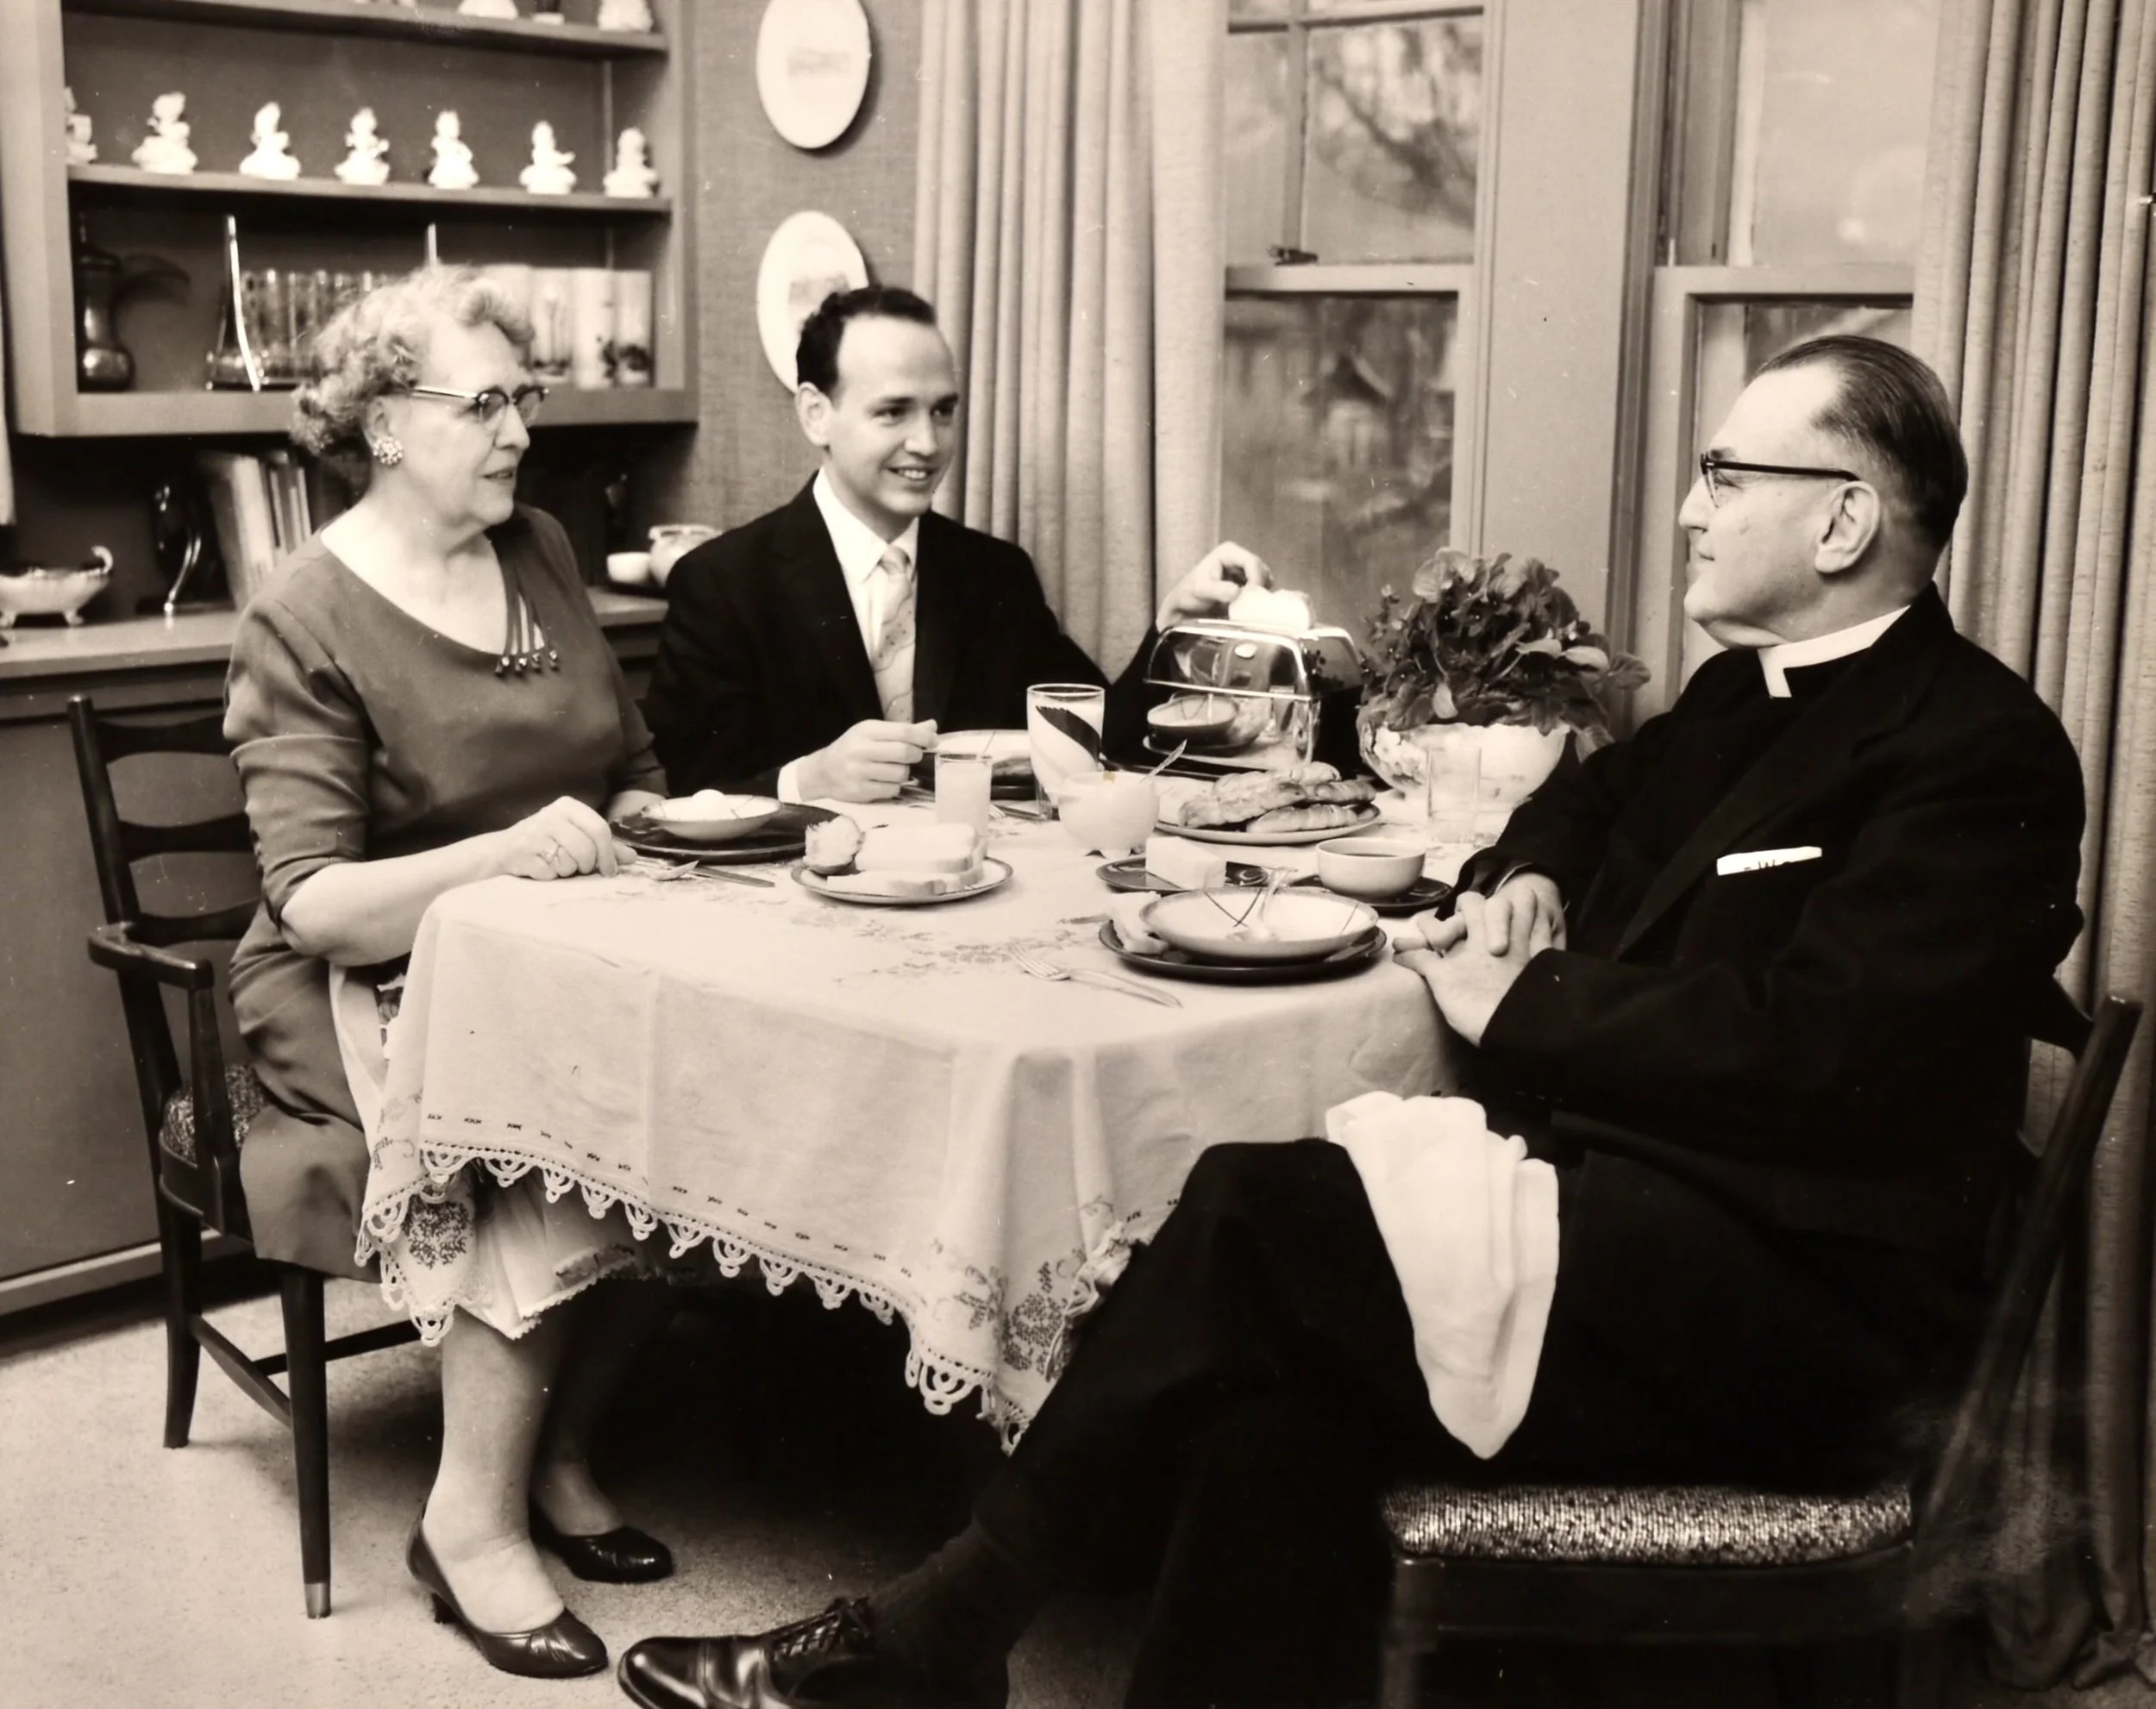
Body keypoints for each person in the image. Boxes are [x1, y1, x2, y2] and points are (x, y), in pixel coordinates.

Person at [614, 335, 2088, 1708]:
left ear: (1843, 525)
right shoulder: (1731, 692)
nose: (1694, 511)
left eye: (1726, 476)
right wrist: (1529, 879)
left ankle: (937, 1637)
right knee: (1277, 1400)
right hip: (1635, 1222)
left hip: (1796, 1305)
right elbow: (1591, 791)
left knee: (1262, 1208)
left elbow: (1825, 1055)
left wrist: (1530, 998)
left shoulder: (1977, 747)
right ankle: (938, 1643)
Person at [228, 266, 676, 1681]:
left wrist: (698, 832)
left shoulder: (535, 545)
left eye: (523, 397)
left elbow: (634, 773)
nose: (519, 431)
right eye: (483, 403)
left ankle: (556, 1455)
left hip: (568, 939)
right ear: (381, 423)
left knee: (710, 1095)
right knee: (534, 1131)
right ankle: (466, 1520)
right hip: (365, 977)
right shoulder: (302, 612)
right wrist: (508, 858)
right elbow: (318, 905)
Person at [642, 285, 1263, 802]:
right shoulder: (721, 584)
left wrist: (1172, 630)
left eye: (943, 412)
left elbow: (1093, 741)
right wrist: (807, 779)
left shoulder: (995, 574)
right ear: (815, 413)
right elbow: (683, 794)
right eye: (893, 413)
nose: (928, 443)